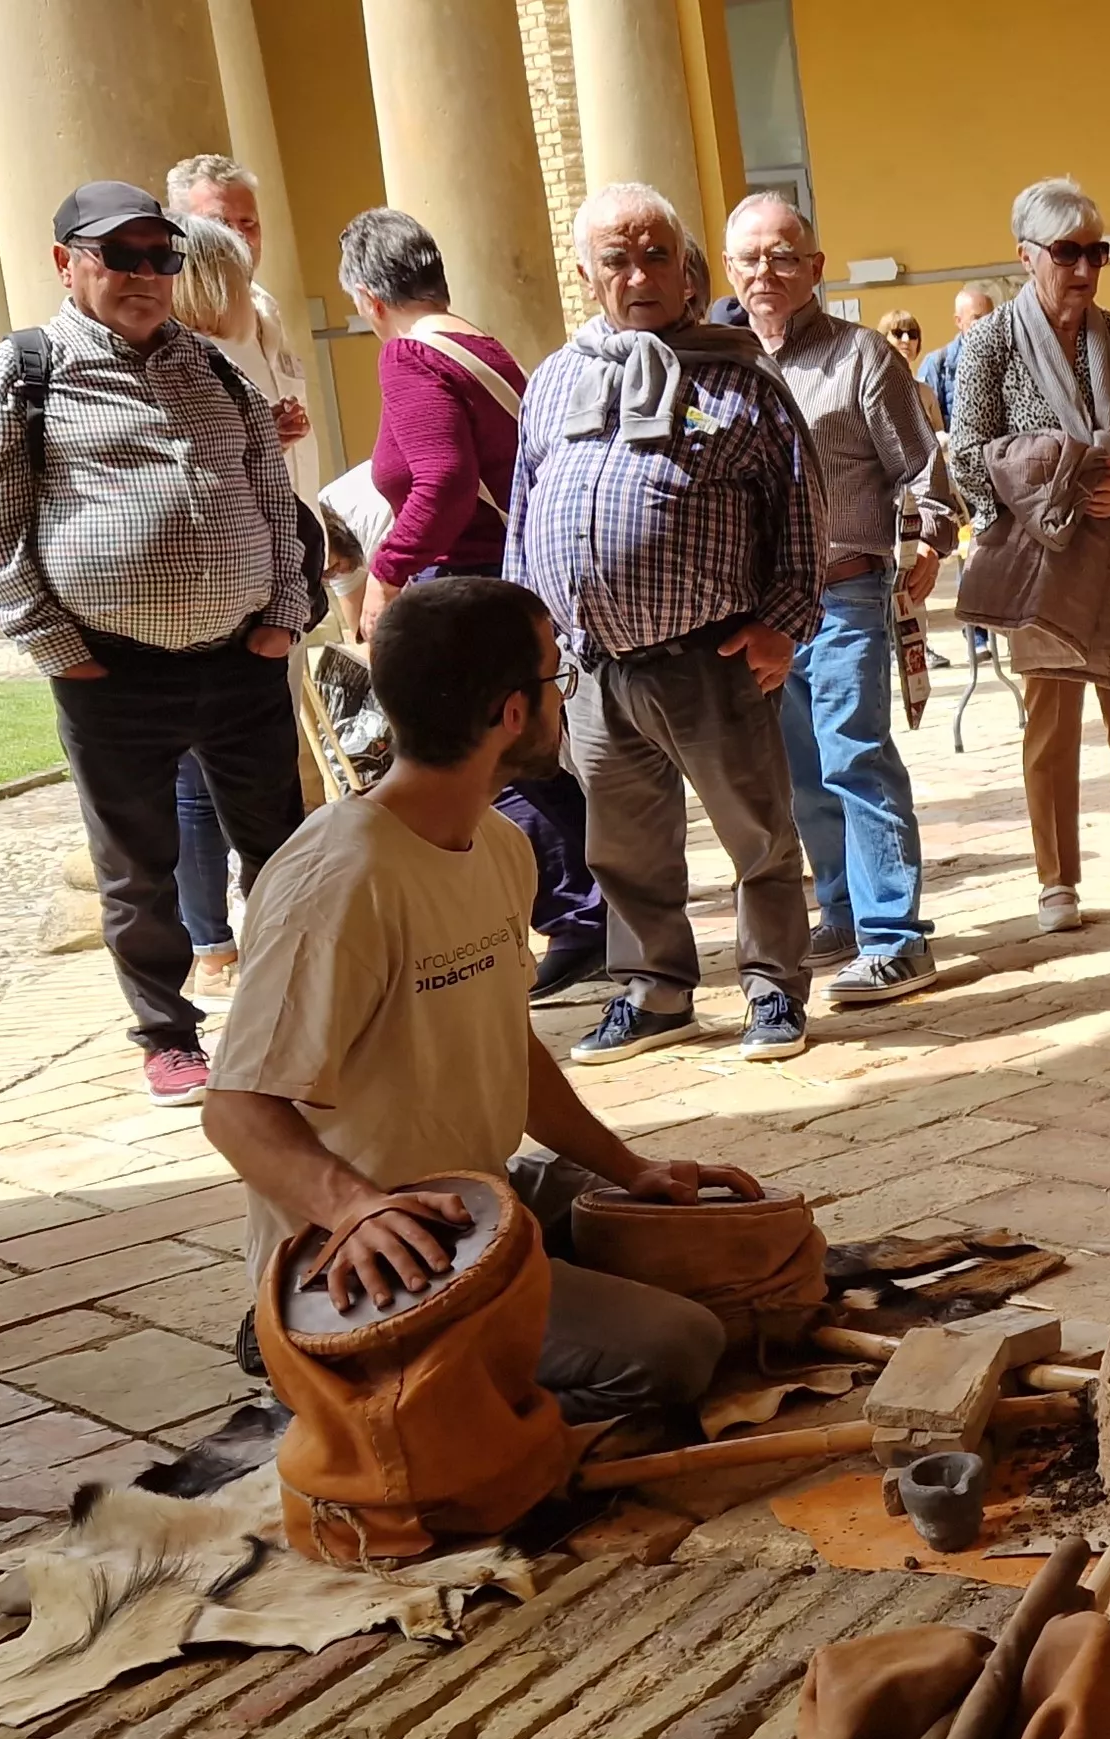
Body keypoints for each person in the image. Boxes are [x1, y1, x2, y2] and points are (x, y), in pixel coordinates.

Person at [203, 575, 743, 1424]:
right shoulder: (339, 882)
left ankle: (482, 1328)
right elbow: (236, 1110)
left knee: (716, 1246)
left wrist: (630, 1169)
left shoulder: (496, 843)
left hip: (478, 1194)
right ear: (513, 713)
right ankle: (330, 1361)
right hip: (372, 1247)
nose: (565, 696)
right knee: (677, 1350)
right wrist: (358, 1210)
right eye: (556, 677)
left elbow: (506, 1043)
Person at [0, 181, 312, 1105]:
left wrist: (282, 613)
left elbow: (271, 495)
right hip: (113, 670)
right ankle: (166, 1033)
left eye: (162, 258)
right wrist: (53, 642)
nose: (146, 276)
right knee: (137, 867)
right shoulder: (23, 372)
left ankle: (293, 1013)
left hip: (242, 657)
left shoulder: (215, 367)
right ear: (67, 261)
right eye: (122, 255)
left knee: (279, 849)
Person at [510, 182, 821, 1065]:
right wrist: (529, 649)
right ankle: (654, 994)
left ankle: (772, 990)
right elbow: (523, 519)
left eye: (657, 256)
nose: (639, 274)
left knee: (758, 837)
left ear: (686, 270)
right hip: (594, 668)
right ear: (587, 273)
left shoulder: (737, 377)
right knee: (625, 852)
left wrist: (782, 625)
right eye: (618, 259)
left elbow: (801, 511)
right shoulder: (556, 379)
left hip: (711, 657)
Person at [340, 206, 609, 1005]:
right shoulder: (477, 342)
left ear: (366, 297)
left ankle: (579, 917)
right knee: (524, 751)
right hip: (507, 577)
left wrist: (386, 574)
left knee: (489, 752)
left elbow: (445, 482)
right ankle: (590, 911)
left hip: (466, 583)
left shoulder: (411, 359)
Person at [728, 193, 951, 1006]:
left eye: (783, 256)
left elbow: (921, 466)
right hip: (758, 613)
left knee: (855, 754)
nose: (766, 272)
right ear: (728, 271)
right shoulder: (723, 366)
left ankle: (896, 937)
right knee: (800, 772)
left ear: (815, 268)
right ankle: (845, 911)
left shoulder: (862, 358)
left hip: (845, 593)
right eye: (750, 258)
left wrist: (930, 541)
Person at [950, 178, 1110, 934]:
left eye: (1096, 252)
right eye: (1066, 253)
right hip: (1043, 562)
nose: (1084, 269)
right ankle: (1057, 882)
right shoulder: (989, 342)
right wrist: (1040, 494)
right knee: (1050, 726)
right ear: (1027, 257)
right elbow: (965, 456)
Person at [159, 214, 280, 1000]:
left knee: (226, 788)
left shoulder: (232, 359)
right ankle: (211, 944)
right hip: (185, 622)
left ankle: (252, 939)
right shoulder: (184, 364)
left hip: (254, 604)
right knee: (193, 791)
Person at [164, 155, 313, 463]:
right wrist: (257, 440)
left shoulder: (268, 308)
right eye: (219, 224)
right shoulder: (171, 324)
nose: (239, 237)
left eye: (249, 223)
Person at [917, 280, 1001, 423]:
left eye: (990, 317)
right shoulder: (937, 364)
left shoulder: (1005, 358)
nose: (986, 324)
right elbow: (924, 423)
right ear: (958, 321)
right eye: (977, 318)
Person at [874, 309, 938, 428]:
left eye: (912, 334)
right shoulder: (870, 392)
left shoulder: (927, 393)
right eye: (898, 333)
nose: (906, 340)